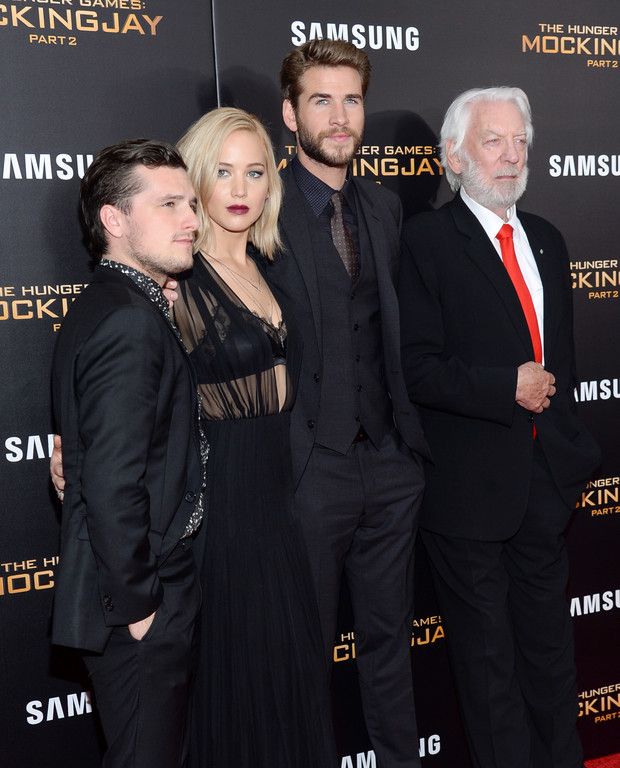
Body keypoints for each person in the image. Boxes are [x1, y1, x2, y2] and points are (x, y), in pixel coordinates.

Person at [398, 87, 601, 768]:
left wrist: (568, 456)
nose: (512, 156)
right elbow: (415, 368)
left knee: (552, 661)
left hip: (544, 488)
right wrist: (503, 386)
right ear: (454, 156)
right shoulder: (426, 241)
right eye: (494, 141)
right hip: (466, 497)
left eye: (520, 141)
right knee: (489, 677)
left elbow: (564, 361)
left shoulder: (547, 238)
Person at [268, 39, 429, 768]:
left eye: (352, 100)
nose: (340, 117)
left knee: (390, 645)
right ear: (290, 114)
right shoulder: (261, 208)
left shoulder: (385, 207)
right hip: (309, 469)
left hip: (389, 463)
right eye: (322, 100)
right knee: (303, 654)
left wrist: (405, 451)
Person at [175, 107, 335, 768]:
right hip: (225, 514)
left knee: (289, 681)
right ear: (195, 180)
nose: (240, 189)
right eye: (222, 172)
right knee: (238, 688)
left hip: (282, 505)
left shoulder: (273, 269)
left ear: (272, 182)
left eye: (255, 172)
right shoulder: (179, 284)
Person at [50, 139, 206, 768]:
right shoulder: (129, 321)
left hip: (136, 592)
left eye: (191, 204)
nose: (191, 219)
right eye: (168, 205)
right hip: (139, 600)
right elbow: (114, 482)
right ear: (113, 220)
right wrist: (142, 607)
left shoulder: (118, 303)